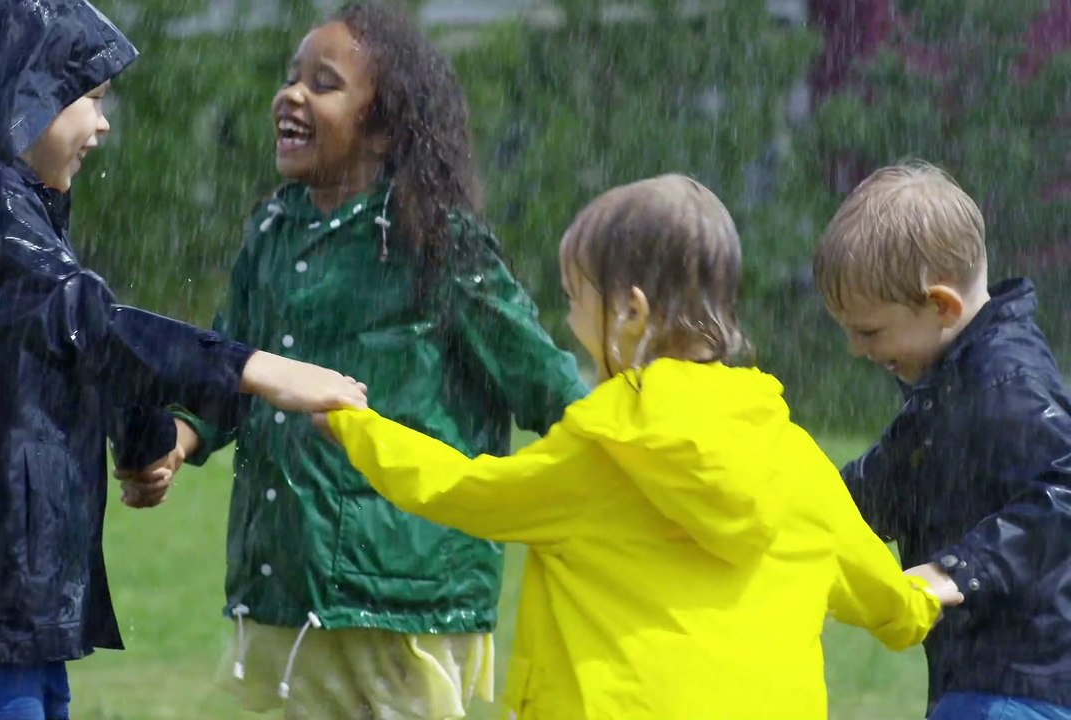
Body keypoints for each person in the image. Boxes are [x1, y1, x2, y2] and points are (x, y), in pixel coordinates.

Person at [0, 1, 365, 718]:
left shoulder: (10, 198)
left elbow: (63, 341)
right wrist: (257, 368)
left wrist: (144, 438)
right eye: (90, 98)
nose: (102, 124)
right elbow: (86, 322)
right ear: (21, 89)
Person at [322, 175, 945, 720]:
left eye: (575, 300)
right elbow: (883, 597)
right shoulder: (790, 454)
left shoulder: (602, 450)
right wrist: (927, 597)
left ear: (630, 312)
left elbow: (461, 491)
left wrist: (353, 423)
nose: (568, 322)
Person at [123, 2, 587, 718]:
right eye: (291, 78)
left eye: (324, 83)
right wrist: (181, 441)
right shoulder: (273, 232)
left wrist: (626, 460)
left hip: (400, 600)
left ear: (385, 124)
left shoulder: (437, 243)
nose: (292, 95)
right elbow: (230, 367)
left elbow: (548, 385)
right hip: (286, 583)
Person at [812, 161, 1071, 720]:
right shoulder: (948, 390)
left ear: (941, 306)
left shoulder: (1006, 381)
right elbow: (883, 484)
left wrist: (961, 568)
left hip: (1025, 683)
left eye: (869, 331)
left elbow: (1065, 488)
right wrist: (796, 509)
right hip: (985, 681)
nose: (856, 349)